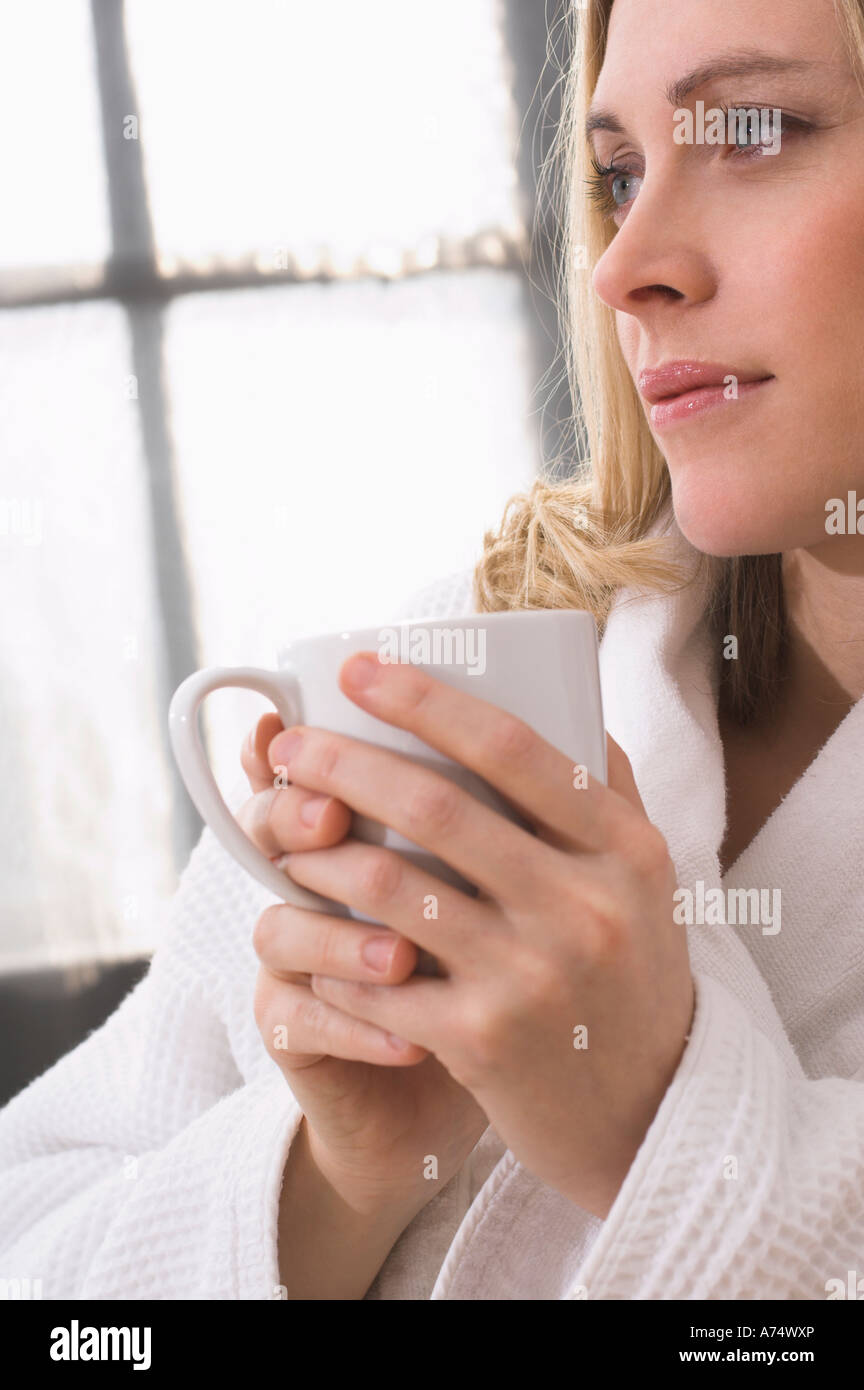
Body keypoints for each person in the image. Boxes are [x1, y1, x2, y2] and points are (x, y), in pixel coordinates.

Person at [2, 0, 863, 1300]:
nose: (625, 262)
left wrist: (661, 1131)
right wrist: (331, 1180)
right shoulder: (490, 639)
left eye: (753, 132)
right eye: (620, 174)